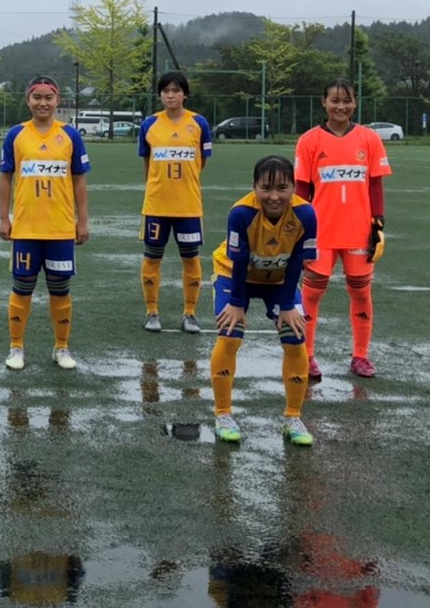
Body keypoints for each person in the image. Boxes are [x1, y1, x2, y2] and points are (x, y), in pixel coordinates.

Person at [208, 155, 319, 446]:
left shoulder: (306, 214)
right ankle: (223, 414)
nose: (274, 196)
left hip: (280, 279)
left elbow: (297, 262)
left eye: (282, 188)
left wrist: (287, 305)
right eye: (266, 188)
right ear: (254, 186)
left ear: (294, 186)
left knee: (295, 338)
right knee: (230, 335)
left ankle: (293, 418)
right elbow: (240, 260)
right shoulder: (241, 213)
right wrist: (237, 303)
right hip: (235, 275)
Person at [294, 78, 391, 379]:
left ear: (355, 103)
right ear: (324, 102)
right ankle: (306, 356)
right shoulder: (309, 141)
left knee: (361, 293)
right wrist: (300, 229)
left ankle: (360, 356)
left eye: (347, 100)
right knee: (312, 293)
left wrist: (377, 223)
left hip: (358, 231)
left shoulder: (369, 139)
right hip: (320, 232)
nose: (341, 106)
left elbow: (375, 184)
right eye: (335, 100)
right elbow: (301, 190)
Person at [0, 75, 90, 371]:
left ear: (57, 100)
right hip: (26, 228)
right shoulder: (16, 135)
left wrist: (82, 221)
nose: (43, 103)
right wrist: (4, 217)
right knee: (22, 287)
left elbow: (79, 180)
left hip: (60, 229)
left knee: (60, 290)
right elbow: (6, 178)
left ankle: (61, 347)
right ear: (28, 100)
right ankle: (16, 347)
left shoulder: (70, 135)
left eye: (48, 97)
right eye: (36, 97)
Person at [137, 71, 213, 334]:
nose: (171, 95)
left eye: (176, 90)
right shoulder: (149, 124)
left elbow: (202, 161)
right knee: (152, 257)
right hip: (156, 205)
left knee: (190, 258)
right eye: (166, 91)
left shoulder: (199, 123)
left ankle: (190, 314)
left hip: (188, 205)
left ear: (185, 94)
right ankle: (152, 312)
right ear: (160, 95)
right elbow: (147, 164)